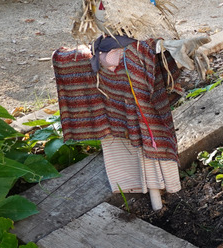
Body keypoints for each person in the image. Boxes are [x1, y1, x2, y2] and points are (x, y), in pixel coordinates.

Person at [53, 0, 209, 210]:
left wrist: (169, 50)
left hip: (143, 117)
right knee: (123, 149)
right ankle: (144, 192)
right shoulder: (106, 47)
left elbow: (149, 52)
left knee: (150, 148)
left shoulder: (137, 48)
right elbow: (97, 56)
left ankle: (160, 195)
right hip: (117, 120)